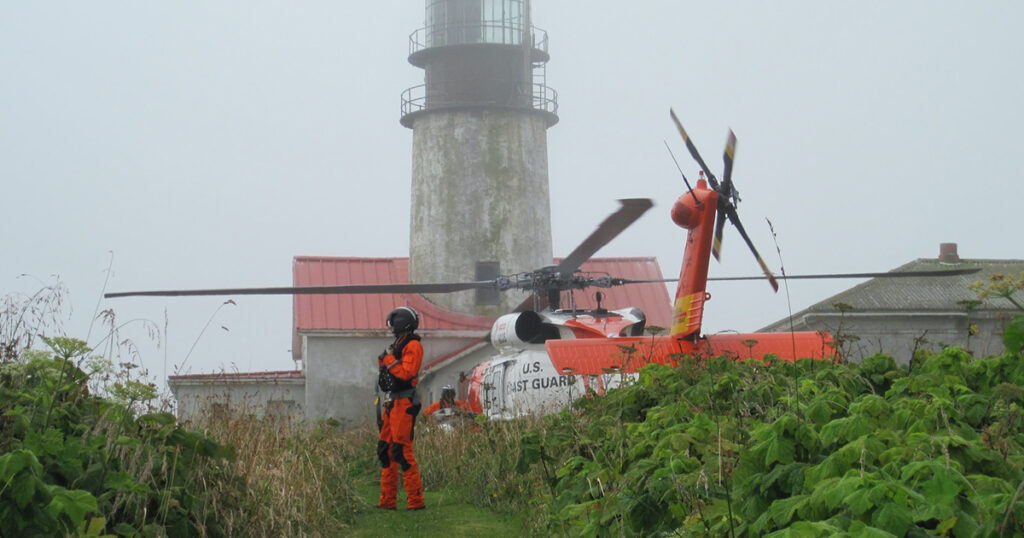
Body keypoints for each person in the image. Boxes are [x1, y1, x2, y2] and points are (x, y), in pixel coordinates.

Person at [375, 306, 425, 511]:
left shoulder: (413, 345)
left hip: (404, 403)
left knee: (402, 452)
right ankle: (387, 501)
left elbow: (406, 372)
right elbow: (389, 370)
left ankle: (416, 502)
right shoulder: (398, 344)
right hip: (392, 402)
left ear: (400, 323)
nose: (391, 328)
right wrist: (385, 361)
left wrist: (388, 359)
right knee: (385, 451)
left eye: (393, 324)